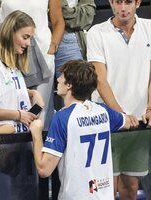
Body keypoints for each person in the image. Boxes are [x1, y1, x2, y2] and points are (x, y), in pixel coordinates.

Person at [29, 60, 131, 200]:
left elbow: (44, 169)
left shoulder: (62, 118)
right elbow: (128, 122)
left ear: (69, 84)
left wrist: (36, 134)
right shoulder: (103, 111)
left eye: (62, 77)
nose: (58, 80)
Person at [0, 10, 44, 200]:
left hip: (21, 145)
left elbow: (7, 93)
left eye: (30, 38)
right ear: (10, 32)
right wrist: (17, 115)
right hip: (3, 147)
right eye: (25, 37)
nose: (29, 43)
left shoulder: (12, 62)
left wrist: (31, 93)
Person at [86, 0, 151, 199]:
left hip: (139, 124)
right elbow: (99, 80)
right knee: (105, 190)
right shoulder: (96, 33)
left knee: (130, 187)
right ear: (111, 3)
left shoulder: (149, 28)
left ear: (138, 2)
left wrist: (150, 107)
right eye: (118, 2)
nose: (123, 8)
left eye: (128, 2)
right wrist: (120, 115)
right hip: (108, 123)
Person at [0, 0, 65, 130]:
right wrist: (5, 31)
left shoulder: (28, 47)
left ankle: (37, 145)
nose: (28, 42)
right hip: (8, 55)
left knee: (40, 112)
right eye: (25, 37)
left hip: (42, 54)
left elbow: (58, 20)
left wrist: (52, 46)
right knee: (8, 105)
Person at [55, 0, 96, 78]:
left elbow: (87, 15)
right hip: (36, 36)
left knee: (72, 85)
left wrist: (63, 11)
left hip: (68, 37)